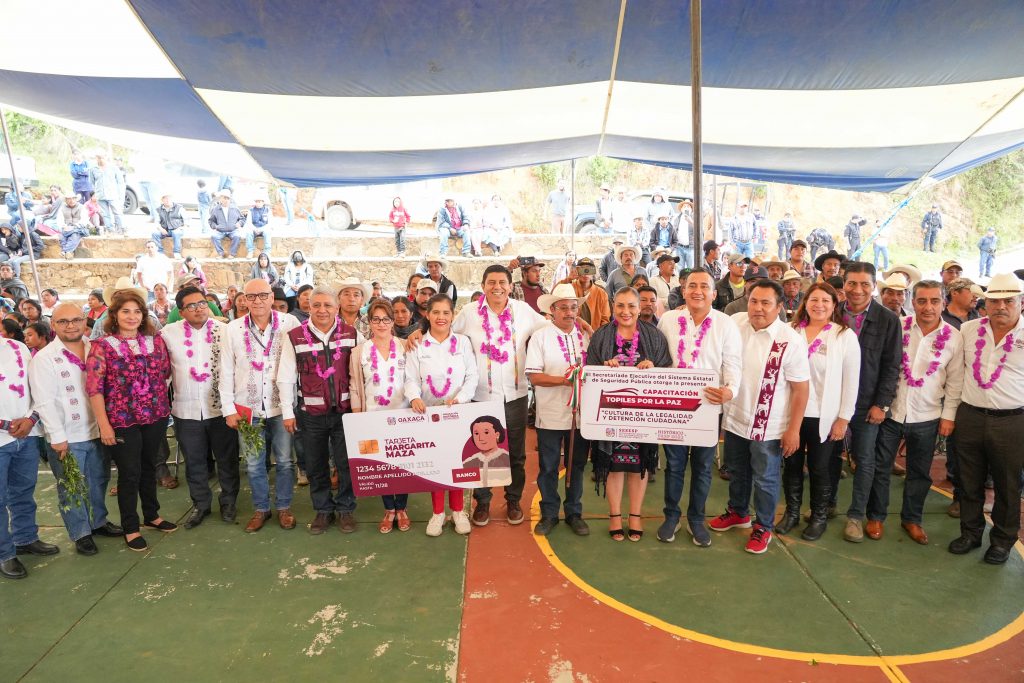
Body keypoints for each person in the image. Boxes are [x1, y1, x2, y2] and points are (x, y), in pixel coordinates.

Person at [710, 280, 810, 554]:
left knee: (765, 477)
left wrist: (794, 430)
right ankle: (738, 512)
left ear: (779, 307)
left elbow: (801, 389)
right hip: (735, 417)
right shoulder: (735, 324)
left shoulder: (790, 340)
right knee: (737, 470)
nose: (758, 308)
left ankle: (763, 526)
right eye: (754, 301)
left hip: (769, 425)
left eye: (766, 303)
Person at [447, 265, 548, 527]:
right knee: (482, 452)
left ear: (510, 286)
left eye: (502, 282)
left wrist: (580, 324)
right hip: (481, 395)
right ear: (483, 286)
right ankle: (482, 502)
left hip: (516, 394)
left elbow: (549, 329)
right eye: (491, 282)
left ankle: (513, 500)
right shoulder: (469, 313)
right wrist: (417, 333)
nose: (497, 287)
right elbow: (445, 333)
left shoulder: (523, 311)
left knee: (515, 453)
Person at [869, 280, 962, 546]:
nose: (928, 307)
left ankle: (912, 519)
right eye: (922, 301)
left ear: (944, 303)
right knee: (880, 468)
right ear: (913, 302)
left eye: (934, 301)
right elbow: (884, 368)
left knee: (919, 473)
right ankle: (875, 516)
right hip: (891, 413)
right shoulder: (898, 327)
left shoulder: (954, 337)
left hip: (927, 416)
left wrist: (949, 416)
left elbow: (955, 381)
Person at [656, 270, 742, 546]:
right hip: (674, 406)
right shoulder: (668, 320)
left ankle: (696, 519)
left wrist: (730, 390)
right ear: (683, 291)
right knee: (674, 465)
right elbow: (659, 357)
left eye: (704, 286)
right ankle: (671, 516)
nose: (697, 291)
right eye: (692, 285)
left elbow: (733, 363)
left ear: (714, 294)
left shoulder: (725, 324)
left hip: (709, 407)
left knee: (703, 467)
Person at [85, 287, 174, 552]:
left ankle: (152, 515)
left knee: (149, 466)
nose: (132, 316)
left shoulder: (156, 342)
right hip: (122, 419)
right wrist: (104, 425)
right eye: (126, 311)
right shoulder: (101, 346)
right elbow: (94, 389)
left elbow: (165, 373)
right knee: (129, 472)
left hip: (155, 415)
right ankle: (130, 526)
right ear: (114, 315)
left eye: (137, 311)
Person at [30, 303, 122, 559]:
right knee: (71, 486)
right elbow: (44, 402)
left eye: (76, 320)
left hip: (98, 430)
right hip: (67, 436)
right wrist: (58, 438)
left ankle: (98, 522)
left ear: (85, 322)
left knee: (99, 479)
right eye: (63, 321)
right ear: (53, 325)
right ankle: (81, 533)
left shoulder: (97, 348)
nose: (70, 326)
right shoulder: (45, 358)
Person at [948, 273, 1023, 565]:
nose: (1001, 306)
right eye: (994, 300)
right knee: (968, 481)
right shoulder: (968, 330)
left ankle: (1002, 541)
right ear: (985, 303)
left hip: (1012, 421)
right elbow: (955, 374)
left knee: (1007, 485)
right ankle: (970, 533)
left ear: (1020, 303)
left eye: (1008, 301)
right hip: (970, 416)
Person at [775, 283, 860, 541]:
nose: (819, 305)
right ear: (806, 302)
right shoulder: (790, 330)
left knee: (820, 468)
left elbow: (851, 381)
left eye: (825, 300)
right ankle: (791, 513)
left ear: (834, 305)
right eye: (814, 299)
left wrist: (843, 418)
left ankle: (819, 516)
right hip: (791, 413)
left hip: (825, 415)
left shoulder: (843, 335)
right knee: (791, 465)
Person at [587, 287, 672, 541]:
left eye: (631, 306)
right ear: (613, 306)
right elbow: (589, 372)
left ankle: (635, 515)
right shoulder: (601, 336)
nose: (626, 311)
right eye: (620, 306)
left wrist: (653, 368)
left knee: (638, 466)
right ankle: (615, 515)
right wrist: (604, 368)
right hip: (609, 414)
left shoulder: (653, 335)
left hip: (642, 415)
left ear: (639, 307)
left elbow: (667, 370)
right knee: (613, 466)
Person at [219, 279, 300, 533]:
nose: (257, 301)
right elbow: (225, 370)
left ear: (272, 297)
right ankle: (261, 508)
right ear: (243, 299)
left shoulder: (290, 323)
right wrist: (228, 409)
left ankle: (284, 507)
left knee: (285, 461)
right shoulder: (232, 329)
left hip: (281, 407)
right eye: (251, 296)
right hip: (247, 407)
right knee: (254, 464)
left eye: (263, 295)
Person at [278, 286, 359, 535]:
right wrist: (287, 412)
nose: (322, 310)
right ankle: (323, 510)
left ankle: (345, 508)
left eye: (327, 305)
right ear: (308, 307)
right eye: (316, 305)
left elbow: (372, 356)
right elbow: (285, 376)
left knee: (346, 463)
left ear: (337, 308)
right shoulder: (294, 336)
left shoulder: (352, 333)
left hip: (345, 411)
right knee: (315, 465)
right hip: (310, 413)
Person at [159, 287, 239, 528]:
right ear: (181, 311)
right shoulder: (168, 334)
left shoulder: (224, 331)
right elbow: (161, 371)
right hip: (186, 410)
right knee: (194, 462)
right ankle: (201, 504)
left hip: (221, 409)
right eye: (191, 306)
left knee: (227, 459)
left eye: (202, 303)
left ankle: (229, 502)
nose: (199, 309)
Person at [405, 294, 478, 536]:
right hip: (428, 414)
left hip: (458, 411)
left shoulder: (463, 343)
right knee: (435, 464)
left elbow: (472, 376)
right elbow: (410, 378)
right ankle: (437, 513)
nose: (441, 317)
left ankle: (458, 511)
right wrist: (414, 397)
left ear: (453, 315)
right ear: (427, 314)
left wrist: (461, 398)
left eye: (446, 313)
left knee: (458, 462)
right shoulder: (417, 344)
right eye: (435, 312)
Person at [839, 262, 902, 542]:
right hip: (832, 401)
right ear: (844, 284)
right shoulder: (832, 312)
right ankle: (825, 505)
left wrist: (882, 404)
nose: (858, 289)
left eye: (865, 284)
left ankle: (855, 516)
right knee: (829, 457)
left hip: (867, 404)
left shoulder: (888, 319)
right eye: (852, 283)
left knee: (865, 460)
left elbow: (891, 365)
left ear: (874, 287)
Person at [525, 284, 591, 536]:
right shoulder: (541, 337)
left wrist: (590, 329)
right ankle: (549, 513)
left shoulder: (585, 336)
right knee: (549, 467)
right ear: (552, 310)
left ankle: (574, 513)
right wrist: (565, 381)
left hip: (581, 415)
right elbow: (534, 376)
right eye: (563, 307)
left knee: (576, 466)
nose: (569, 312)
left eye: (573, 307)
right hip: (550, 414)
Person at [349, 299, 411, 532]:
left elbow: (414, 379)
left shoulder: (406, 346)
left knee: (403, 463)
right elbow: (355, 386)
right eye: (376, 319)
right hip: (373, 417)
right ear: (370, 322)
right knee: (381, 465)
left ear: (393, 321)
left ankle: (402, 508)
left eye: (386, 319)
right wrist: (357, 415)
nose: (381, 323)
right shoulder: (359, 351)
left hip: (404, 415)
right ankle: (389, 509)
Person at [0, 325, 57, 579]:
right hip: (5, 436)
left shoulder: (18, 347)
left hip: (26, 434)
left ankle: (25, 538)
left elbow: (36, 388)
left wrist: (31, 419)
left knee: (23, 491)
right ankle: (5, 554)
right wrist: (5, 425)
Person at [559, 256, 610, 328]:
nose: (586, 273)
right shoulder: (570, 287)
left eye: (589, 270)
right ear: (577, 271)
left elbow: (605, 319)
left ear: (593, 272)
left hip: (594, 332)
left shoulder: (601, 293)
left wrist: (599, 333)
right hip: (572, 331)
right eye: (583, 269)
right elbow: (555, 293)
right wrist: (568, 279)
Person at [88, 152, 125, 235]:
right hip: (100, 195)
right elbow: (92, 182)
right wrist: (97, 191)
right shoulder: (93, 169)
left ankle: (120, 229)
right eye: (99, 157)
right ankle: (110, 230)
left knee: (117, 213)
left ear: (106, 157)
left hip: (113, 194)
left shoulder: (113, 168)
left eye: (102, 157)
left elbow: (120, 182)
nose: (101, 159)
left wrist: (120, 194)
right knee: (105, 214)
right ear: (96, 158)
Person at [209, 189, 245, 258]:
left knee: (237, 236)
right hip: (220, 231)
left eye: (228, 198)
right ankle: (221, 254)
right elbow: (211, 221)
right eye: (224, 198)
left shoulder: (235, 208)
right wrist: (215, 226)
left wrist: (239, 223)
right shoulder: (216, 209)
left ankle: (232, 254)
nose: (226, 200)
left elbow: (242, 219)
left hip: (233, 230)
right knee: (214, 236)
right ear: (220, 198)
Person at [58, 194, 91, 259]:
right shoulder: (62, 208)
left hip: (79, 228)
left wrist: (74, 227)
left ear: (76, 199)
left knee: (75, 234)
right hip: (67, 228)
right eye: (69, 199)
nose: (71, 201)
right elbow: (59, 220)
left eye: (73, 198)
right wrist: (64, 226)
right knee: (62, 237)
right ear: (66, 200)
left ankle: (64, 252)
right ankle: (68, 253)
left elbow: (84, 220)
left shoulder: (82, 207)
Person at [673, 199, 694, 269]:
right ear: (681, 209)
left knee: (690, 268)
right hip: (679, 247)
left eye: (688, 206)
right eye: (684, 206)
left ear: (691, 209)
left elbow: (700, 231)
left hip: (690, 248)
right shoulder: (677, 218)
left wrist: (691, 221)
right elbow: (674, 232)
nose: (686, 208)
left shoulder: (695, 218)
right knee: (680, 268)